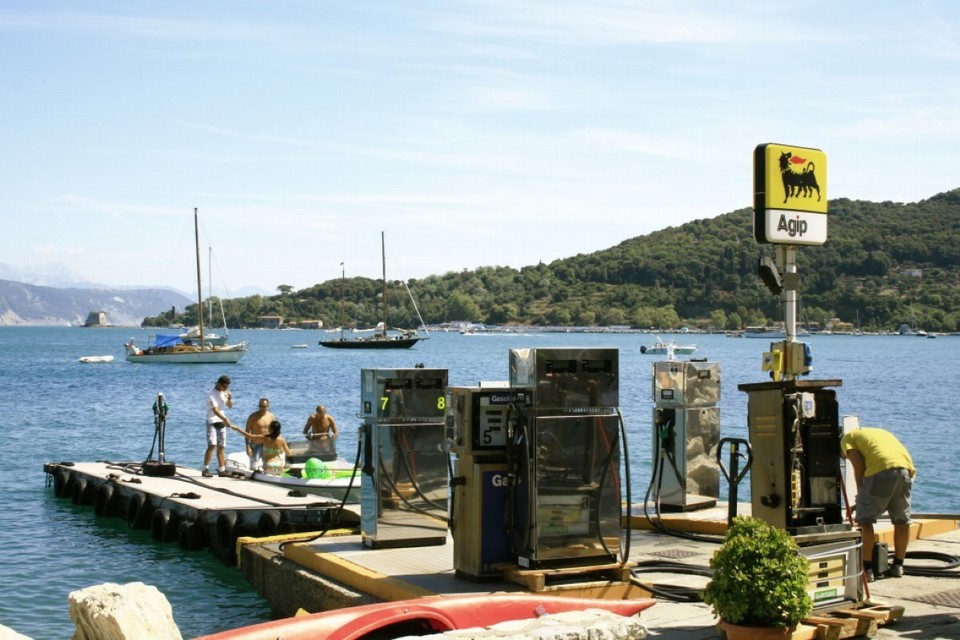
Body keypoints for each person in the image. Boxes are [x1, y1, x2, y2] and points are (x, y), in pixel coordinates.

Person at [840, 427, 916, 582]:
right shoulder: (871, 433)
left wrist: (861, 495)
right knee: (902, 521)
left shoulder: (846, 440)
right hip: (905, 470)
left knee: (865, 521)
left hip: (881, 470)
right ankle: (898, 566)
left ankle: (866, 570)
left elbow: (858, 467)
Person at [229, 420, 293, 476]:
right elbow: (289, 453)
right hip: (279, 465)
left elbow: (248, 435)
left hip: (268, 465)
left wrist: (237, 429)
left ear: (271, 429)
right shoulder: (282, 440)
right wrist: (280, 450)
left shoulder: (264, 438)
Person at [203, 375, 237, 477]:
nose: (226, 388)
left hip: (221, 421)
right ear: (219, 384)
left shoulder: (224, 393)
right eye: (224, 386)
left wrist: (229, 398)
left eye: (227, 386)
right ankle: (205, 469)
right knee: (212, 445)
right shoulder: (211, 394)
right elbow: (215, 410)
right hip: (212, 421)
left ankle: (222, 470)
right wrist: (226, 419)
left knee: (221, 446)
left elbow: (230, 406)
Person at [245, 398, 276, 472]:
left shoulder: (271, 417)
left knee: (268, 467)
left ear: (268, 406)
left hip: (267, 445)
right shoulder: (253, 417)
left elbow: (275, 432)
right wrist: (247, 447)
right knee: (253, 467)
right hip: (256, 445)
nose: (262, 408)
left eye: (264, 406)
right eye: (260, 406)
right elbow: (247, 432)